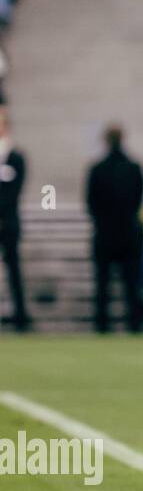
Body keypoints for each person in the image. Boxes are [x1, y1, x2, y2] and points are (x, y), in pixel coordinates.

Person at [86, 124, 143, 332]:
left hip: (105, 233)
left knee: (103, 285)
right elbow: (138, 199)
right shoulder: (133, 168)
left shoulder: (97, 170)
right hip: (129, 233)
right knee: (132, 284)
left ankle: (102, 325)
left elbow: (91, 203)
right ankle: (135, 325)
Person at [0, 104, 29, 331]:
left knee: (13, 268)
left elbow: (15, 190)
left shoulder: (16, 156)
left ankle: (20, 316)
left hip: (8, 221)